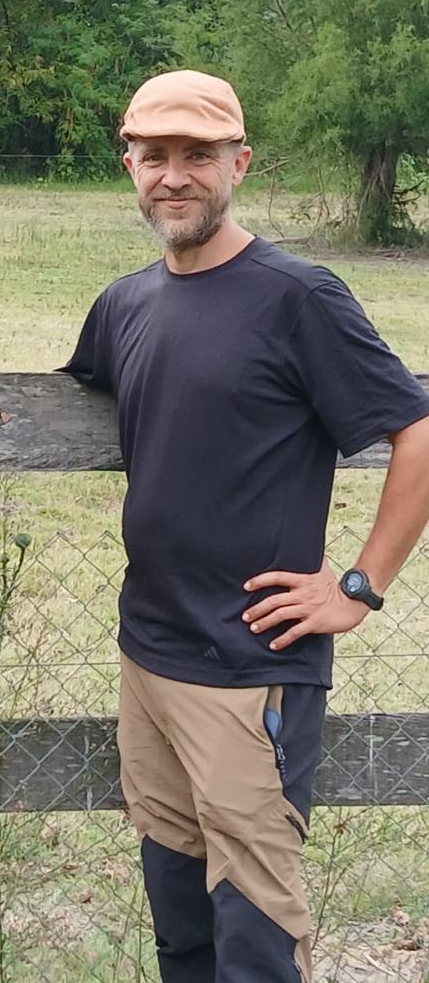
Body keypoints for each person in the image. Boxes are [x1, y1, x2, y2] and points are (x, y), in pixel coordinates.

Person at [62, 69, 429, 982]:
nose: (174, 176)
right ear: (129, 166)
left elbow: (417, 432)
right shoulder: (125, 304)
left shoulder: (297, 297)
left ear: (240, 164)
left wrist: (358, 587)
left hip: (249, 667)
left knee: (258, 938)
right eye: (155, 155)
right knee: (181, 925)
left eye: (198, 156)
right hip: (147, 655)